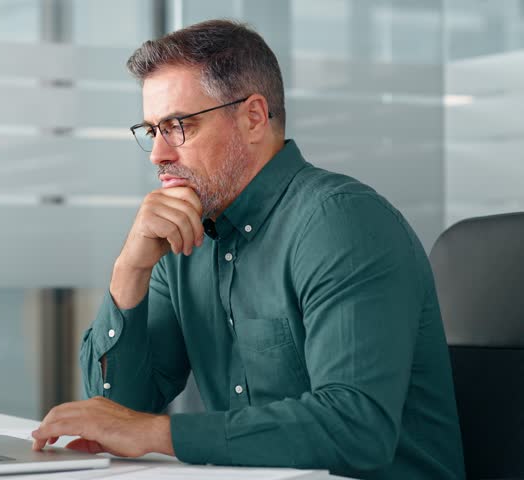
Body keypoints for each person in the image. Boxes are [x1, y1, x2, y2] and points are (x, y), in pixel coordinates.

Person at [31, 19, 464, 479]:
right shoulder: (182, 236)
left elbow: (355, 427)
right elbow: (118, 413)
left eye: (178, 126)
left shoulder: (342, 223)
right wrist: (128, 271)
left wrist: (160, 434)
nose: (157, 154)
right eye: (151, 130)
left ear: (253, 117)